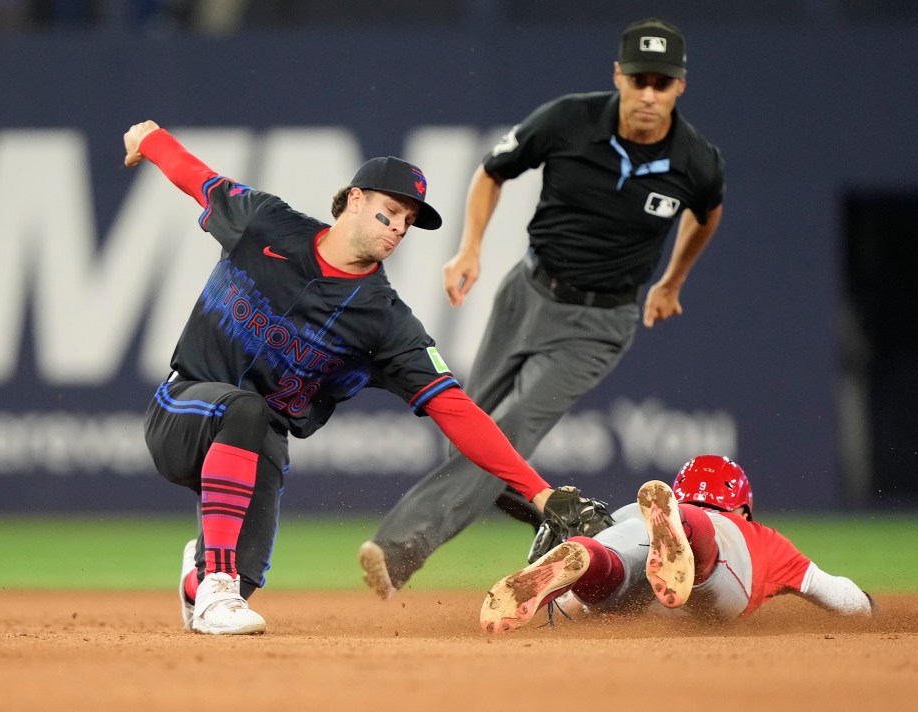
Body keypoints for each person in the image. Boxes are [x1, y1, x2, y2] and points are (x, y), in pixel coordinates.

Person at [123, 119, 599, 635]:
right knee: (245, 409)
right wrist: (148, 139)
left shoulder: (385, 321)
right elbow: (198, 178)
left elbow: (456, 409)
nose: (398, 227)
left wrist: (541, 493)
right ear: (354, 199)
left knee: (242, 585)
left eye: (407, 221)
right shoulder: (266, 223)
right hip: (182, 409)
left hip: (258, 449)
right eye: (390, 211)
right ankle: (214, 580)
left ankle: (205, 580)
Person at [360, 16, 726, 598]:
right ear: (619, 77)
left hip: (599, 323)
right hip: (527, 293)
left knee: (512, 429)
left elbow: (707, 212)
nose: (649, 94)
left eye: (662, 82)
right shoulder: (568, 120)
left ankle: (403, 548)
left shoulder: (695, 160)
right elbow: (491, 171)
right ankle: (572, 525)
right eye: (639, 80)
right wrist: (470, 248)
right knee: (469, 425)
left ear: (680, 86)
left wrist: (673, 280)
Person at [480, 455, 876, 634]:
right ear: (741, 507)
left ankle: (587, 554)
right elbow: (835, 592)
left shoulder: (634, 513)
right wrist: (868, 607)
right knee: (710, 569)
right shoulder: (756, 534)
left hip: (631, 517)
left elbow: (577, 609)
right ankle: (685, 531)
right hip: (697, 537)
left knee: (609, 569)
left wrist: (568, 596)